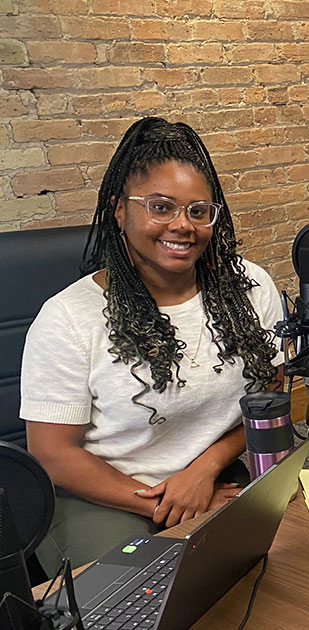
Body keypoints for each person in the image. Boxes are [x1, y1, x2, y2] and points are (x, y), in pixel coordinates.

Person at [21, 117, 284, 573]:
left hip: (214, 474)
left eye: (198, 211)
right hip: (103, 494)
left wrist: (204, 470)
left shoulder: (250, 287)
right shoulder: (67, 318)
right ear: (119, 211)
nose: (183, 226)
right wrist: (169, 503)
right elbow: (53, 454)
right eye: (160, 207)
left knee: (283, 564)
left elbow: (272, 394)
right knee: (144, 592)